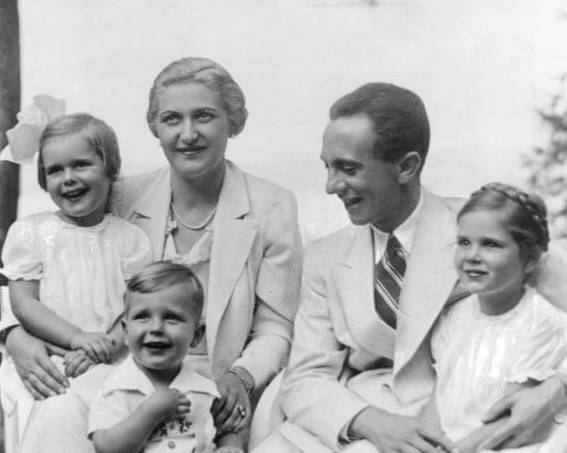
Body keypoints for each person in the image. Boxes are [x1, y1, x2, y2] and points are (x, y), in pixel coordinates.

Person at [2, 57, 302, 453]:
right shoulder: (120, 195)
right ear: (155, 128)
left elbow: (276, 329)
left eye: (204, 116)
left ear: (232, 121)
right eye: (172, 119)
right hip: (121, 370)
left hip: (215, 379)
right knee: (59, 414)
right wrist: (15, 334)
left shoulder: (271, 206)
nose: (188, 134)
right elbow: (51, 258)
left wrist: (241, 377)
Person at [266, 83, 567, 453]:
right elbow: (306, 375)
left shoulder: (485, 229)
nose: (331, 186)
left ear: (407, 166)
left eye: (348, 168)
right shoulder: (325, 257)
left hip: (470, 414)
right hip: (361, 417)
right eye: (328, 167)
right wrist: (373, 423)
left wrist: (556, 389)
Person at [351, 183, 567, 453]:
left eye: (491, 244)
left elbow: (509, 419)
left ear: (530, 259)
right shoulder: (456, 317)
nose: (472, 256)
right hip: (453, 439)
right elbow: (438, 400)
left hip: (502, 441)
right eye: (464, 242)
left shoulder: (540, 321)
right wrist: (426, 443)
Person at [0, 113, 151, 444]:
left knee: (116, 413)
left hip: (110, 357)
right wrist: (75, 339)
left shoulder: (130, 239)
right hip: (48, 358)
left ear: (110, 169)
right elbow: (23, 303)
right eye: (55, 170)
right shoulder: (31, 232)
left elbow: (137, 308)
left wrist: (104, 347)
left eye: (81, 165)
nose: (68, 178)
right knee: (55, 418)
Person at [89, 260, 244, 453]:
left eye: (171, 317)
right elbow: (105, 447)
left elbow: (228, 428)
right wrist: (151, 411)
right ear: (126, 331)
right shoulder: (117, 389)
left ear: (196, 335)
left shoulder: (204, 388)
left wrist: (230, 446)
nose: (156, 328)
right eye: (142, 316)